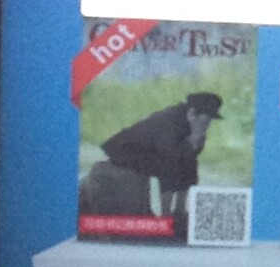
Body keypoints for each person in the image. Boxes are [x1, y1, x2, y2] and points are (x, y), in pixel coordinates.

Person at [81, 88, 222, 233]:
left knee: (189, 164)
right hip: (126, 151)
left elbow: (191, 155)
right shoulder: (169, 121)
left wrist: (196, 140)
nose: (207, 125)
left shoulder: (189, 123)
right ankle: (166, 214)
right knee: (170, 166)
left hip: (151, 151)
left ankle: (179, 210)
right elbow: (169, 153)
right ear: (192, 113)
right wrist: (192, 140)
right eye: (205, 120)